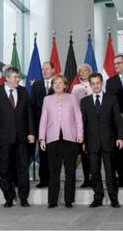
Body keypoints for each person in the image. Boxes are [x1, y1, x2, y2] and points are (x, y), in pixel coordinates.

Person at [0, 66, 35, 208]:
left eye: (18, 77)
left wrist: (31, 132)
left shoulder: (23, 91)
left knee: (23, 169)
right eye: (15, 77)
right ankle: (8, 197)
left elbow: (29, 114)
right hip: (3, 139)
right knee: (5, 169)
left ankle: (23, 198)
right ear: (7, 78)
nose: (18, 79)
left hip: (21, 138)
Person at [39, 74, 84, 208]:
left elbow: (78, 116)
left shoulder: (72, 98)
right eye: (55, 83)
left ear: (65, 85)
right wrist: (42, 138)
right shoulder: (47, 99)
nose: (58, 85)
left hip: (70, 138)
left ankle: (68, 200)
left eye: (60, 83)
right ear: (52, 86)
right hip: (52, 139)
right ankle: (52, 201)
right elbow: (43, 120)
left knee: (70, 170)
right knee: (54, 171)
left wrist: (80, 134)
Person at [80, 72, 123, 208]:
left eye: (97, 83)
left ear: (102, 83)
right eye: (92, 83)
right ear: (90, 85)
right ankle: (98, 198)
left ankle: (113, 198)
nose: (95, 86)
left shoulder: (112, 99)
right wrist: (83, 141)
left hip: (109, 142)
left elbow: (118, 120)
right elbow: (83, 123)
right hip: (92, 143)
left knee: (110, 172)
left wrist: (120, 137)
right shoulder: (85, 101)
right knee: (94, 172)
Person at [105, 54, 123, 187]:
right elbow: (111, 102)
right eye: (115, 63)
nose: (116, 65)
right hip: (118, 121)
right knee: (119, 151)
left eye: (119, 63)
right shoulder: (110, 81)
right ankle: (122, 177)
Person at [30, 61, 54, 188]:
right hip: (40, 125)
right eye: (43, 69)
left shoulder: (58, 84)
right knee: (43, 153)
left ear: (53, 70)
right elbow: (33, 106)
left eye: (47, 69)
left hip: (55, 126)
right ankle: (43, 179)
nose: (44, 71)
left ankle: (53, 179)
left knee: (53, 154)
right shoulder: (36, 85)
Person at [72, 63, 93, 188]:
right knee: (84, 153)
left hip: (95, 123)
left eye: (85, 70)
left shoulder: (97, 84)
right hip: (81, 123)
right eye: (80, 71)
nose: (83, 73)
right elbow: (73, 105)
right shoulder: (75, 87)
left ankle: (95, 177)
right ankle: (86, 178)